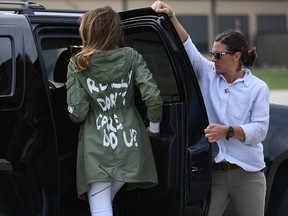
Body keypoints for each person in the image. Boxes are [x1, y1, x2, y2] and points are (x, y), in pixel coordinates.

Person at [152, 1, 269, 216]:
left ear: (236, 57)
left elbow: (260, 131)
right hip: (214, 173)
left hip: (248, 173)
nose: (213, 59)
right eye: (212, 53)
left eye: (218, 55)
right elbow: (188, 46)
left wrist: (227, 131)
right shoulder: (208, 73)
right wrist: (172, 17)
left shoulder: (258, 87)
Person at [66, 6, 163, 216]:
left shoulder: (77, 64)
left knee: (100, 207)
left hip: (98, 148)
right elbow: (153, 97)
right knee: (104, 204)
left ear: (88, 31)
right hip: (130, 142)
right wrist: (154, 127)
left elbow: (78, 113)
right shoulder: (131, 56)